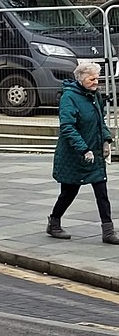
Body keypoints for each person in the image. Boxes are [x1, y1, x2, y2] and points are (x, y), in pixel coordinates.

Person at [46, 61, 119, 244]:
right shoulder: (69, 97)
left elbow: (99, 120)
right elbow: (67, 127)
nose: (96, 82)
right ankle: (54, 222)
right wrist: (83, 148)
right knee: (69, 192)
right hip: (74, 155)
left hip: (94, 153)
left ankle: (108, 232)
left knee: (101, 192)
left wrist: (106, 140)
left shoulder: (94, 95)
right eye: (92, 79)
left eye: (98, 78)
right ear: (80, 79)